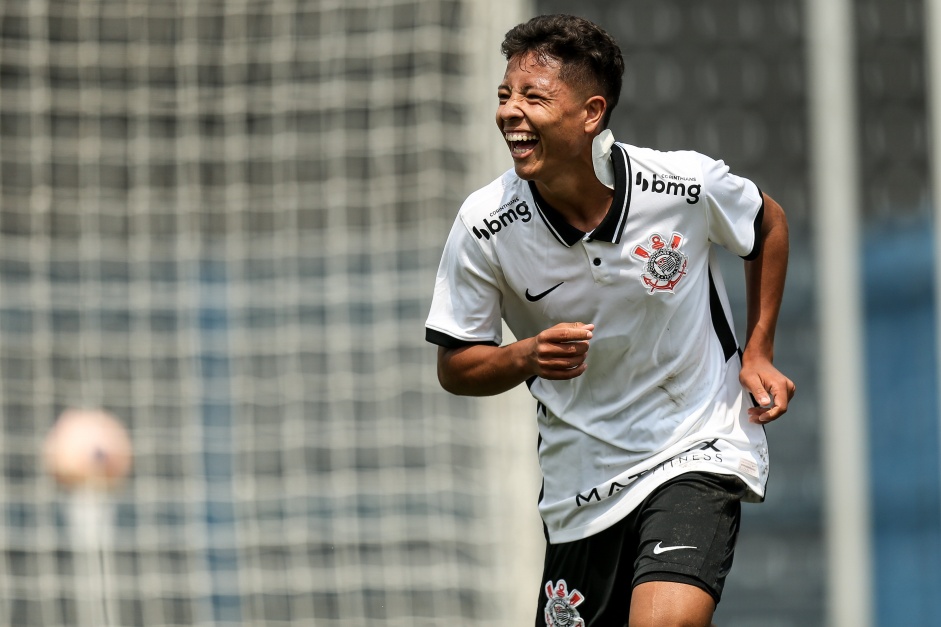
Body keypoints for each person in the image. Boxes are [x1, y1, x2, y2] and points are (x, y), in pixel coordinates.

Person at [425, 14, 795, 627]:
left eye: (533, 97)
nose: (510, 112)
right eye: (504, 95)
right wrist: (526, 356)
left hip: (694, 443)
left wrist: (758, 350)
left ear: (591, 113)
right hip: (582, 485)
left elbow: (768, 225)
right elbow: (456, 366)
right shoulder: (484, 223)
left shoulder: (683, 185)